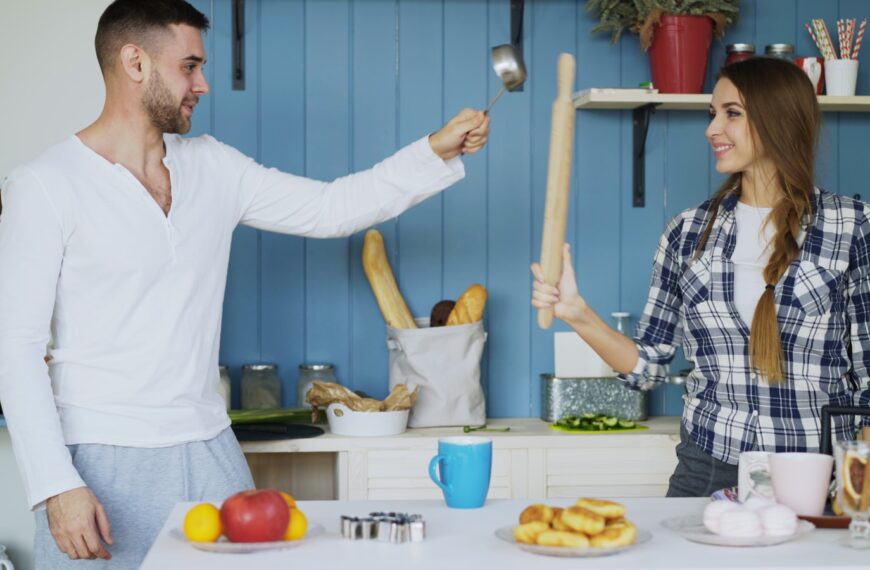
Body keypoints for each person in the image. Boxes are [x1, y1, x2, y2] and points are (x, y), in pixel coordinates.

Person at [0, 0, 489, 567]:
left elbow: (332, 207)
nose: (203, 84)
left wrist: (435, 149)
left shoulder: (214, 167)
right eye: (189, 66)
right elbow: (15, 346)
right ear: (135, 62)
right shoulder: (45, 184)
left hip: (211, 449)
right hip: (99, 459)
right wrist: (56, 485)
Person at [531, 56, 870, 497]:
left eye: (732, 114)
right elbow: (648, 367)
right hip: (708, 466)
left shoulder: (852, 226)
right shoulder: (687, 232)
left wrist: (859, 482)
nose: (712, 129)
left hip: (817, 473)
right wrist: (576, 314)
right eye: (713, 114)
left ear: (779, 118)